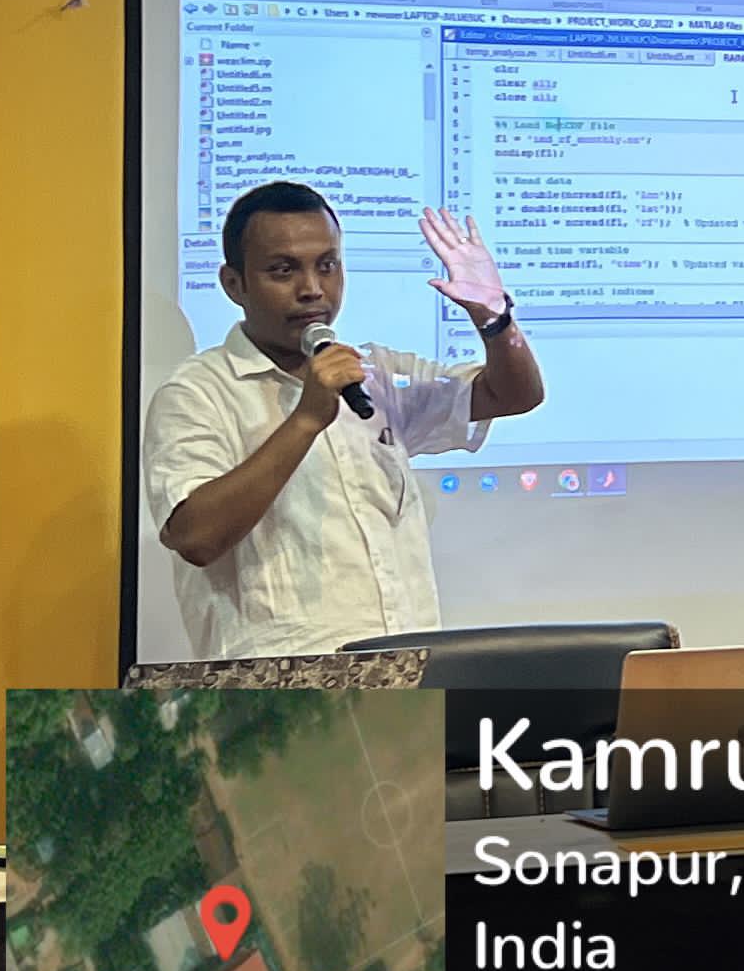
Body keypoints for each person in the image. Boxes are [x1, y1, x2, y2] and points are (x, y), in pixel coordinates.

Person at [146, 182, 545, 657]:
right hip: (283, 686)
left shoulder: (375, 375)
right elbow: (195, 537)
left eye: (327, 265)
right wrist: (305, 420)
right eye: (283, 270)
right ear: (234, 284)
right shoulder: (197, 393)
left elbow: (513, 395)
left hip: (404, 669)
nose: (312, 289)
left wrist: (495, 319)